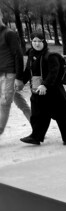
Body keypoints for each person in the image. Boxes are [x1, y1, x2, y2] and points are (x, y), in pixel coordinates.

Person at [20, 31, 66, 145]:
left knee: (61, 115)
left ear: (44, 42)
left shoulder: (51, 56)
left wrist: (45, 85)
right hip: (37, 90)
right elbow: (28, 71)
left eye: (39, 41)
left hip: (53, 91)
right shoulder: (31, 54)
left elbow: (53, 73)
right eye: (34, 41)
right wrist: (20, 81)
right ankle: (35, 137)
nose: (36, 44)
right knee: (38, 114)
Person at [0, 8, 31, 136]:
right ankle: (37, 125)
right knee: (19, 101)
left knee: (4, 103)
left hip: (9, 74)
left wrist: (19, 77)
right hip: (0, 74)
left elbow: (18, 55)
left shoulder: (9, 33)